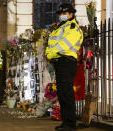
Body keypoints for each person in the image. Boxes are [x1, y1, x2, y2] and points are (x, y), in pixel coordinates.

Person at [45, 3, 83, 131]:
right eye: (61, 14)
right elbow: (51, 44)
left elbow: (63, 45)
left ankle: (70, 124)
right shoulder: (61, 27)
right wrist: (49, 53)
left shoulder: (73, 27)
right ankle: (66, 122)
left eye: (64, 13)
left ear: (71, 14)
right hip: (60, 62)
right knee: (62, 94)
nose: (62, 16)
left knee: (66, 94)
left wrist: (50, 53)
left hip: (67, 62)